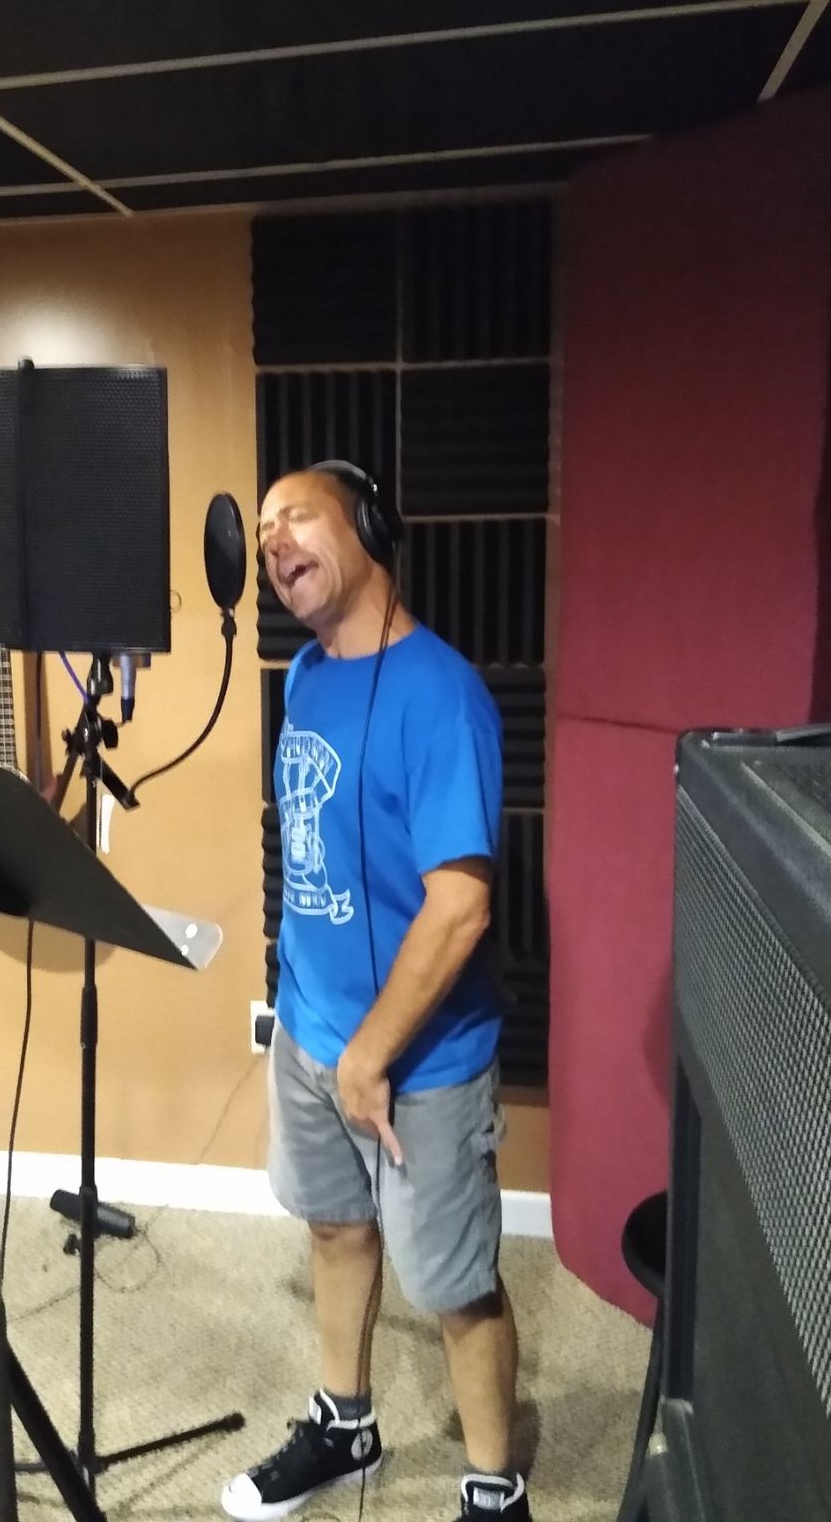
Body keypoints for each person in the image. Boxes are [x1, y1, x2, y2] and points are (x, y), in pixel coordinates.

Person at [221, 463, 530, 1522]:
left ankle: (494, 1491)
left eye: (297, 516)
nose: (273, 542)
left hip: (422, 1063)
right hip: (311, 1032)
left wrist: (372, 1054)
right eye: (265, 529)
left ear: (367, 529)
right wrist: (310, 1017)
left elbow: (460, 906)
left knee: (453, 1284)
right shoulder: (306, 676)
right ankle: (345, 1425)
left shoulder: (444, 697)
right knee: (335, 1229)